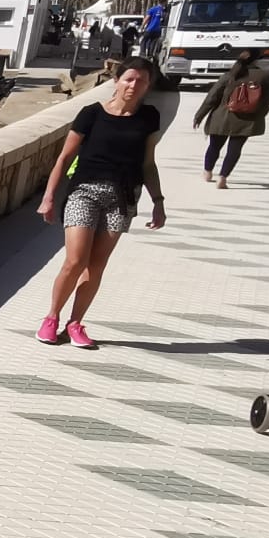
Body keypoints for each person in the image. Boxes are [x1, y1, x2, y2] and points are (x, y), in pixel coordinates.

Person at [35, 56, 167, 349]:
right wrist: (49, 197)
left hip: (122, 198)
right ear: (117, 80)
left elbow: (148, 163)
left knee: (96, 266)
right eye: (129, 78)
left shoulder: (149, 117)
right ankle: (51, 318)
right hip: (84, 191)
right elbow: (64, 158)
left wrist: (158, 201)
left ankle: (75, 323)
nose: (134, 85)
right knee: (75, 261)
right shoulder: (91, 113)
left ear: (149, 85)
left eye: (141, 80)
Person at [192, 50, 269, 188]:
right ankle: (223, 178)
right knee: (235, 150)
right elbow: (267, 101)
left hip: (222, 117)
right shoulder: (264, 77)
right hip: (247, 120)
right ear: (256, 60)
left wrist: (199, 116)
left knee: (214, 146)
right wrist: (259, 116)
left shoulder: (230, 75)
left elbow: (212, 97)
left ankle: (207, 172)